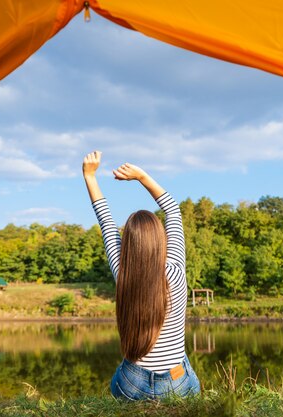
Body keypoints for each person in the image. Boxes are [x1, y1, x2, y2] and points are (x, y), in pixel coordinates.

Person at [82, 150, 200, 400]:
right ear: (161, 241)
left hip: (132, 383)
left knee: (122, 376)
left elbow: (105, 222)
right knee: (187, 374)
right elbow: (174, 211)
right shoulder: (176, 272)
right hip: (176, 382)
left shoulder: (123, 274)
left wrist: (89, 176)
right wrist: (141, 176)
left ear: (127, 245)